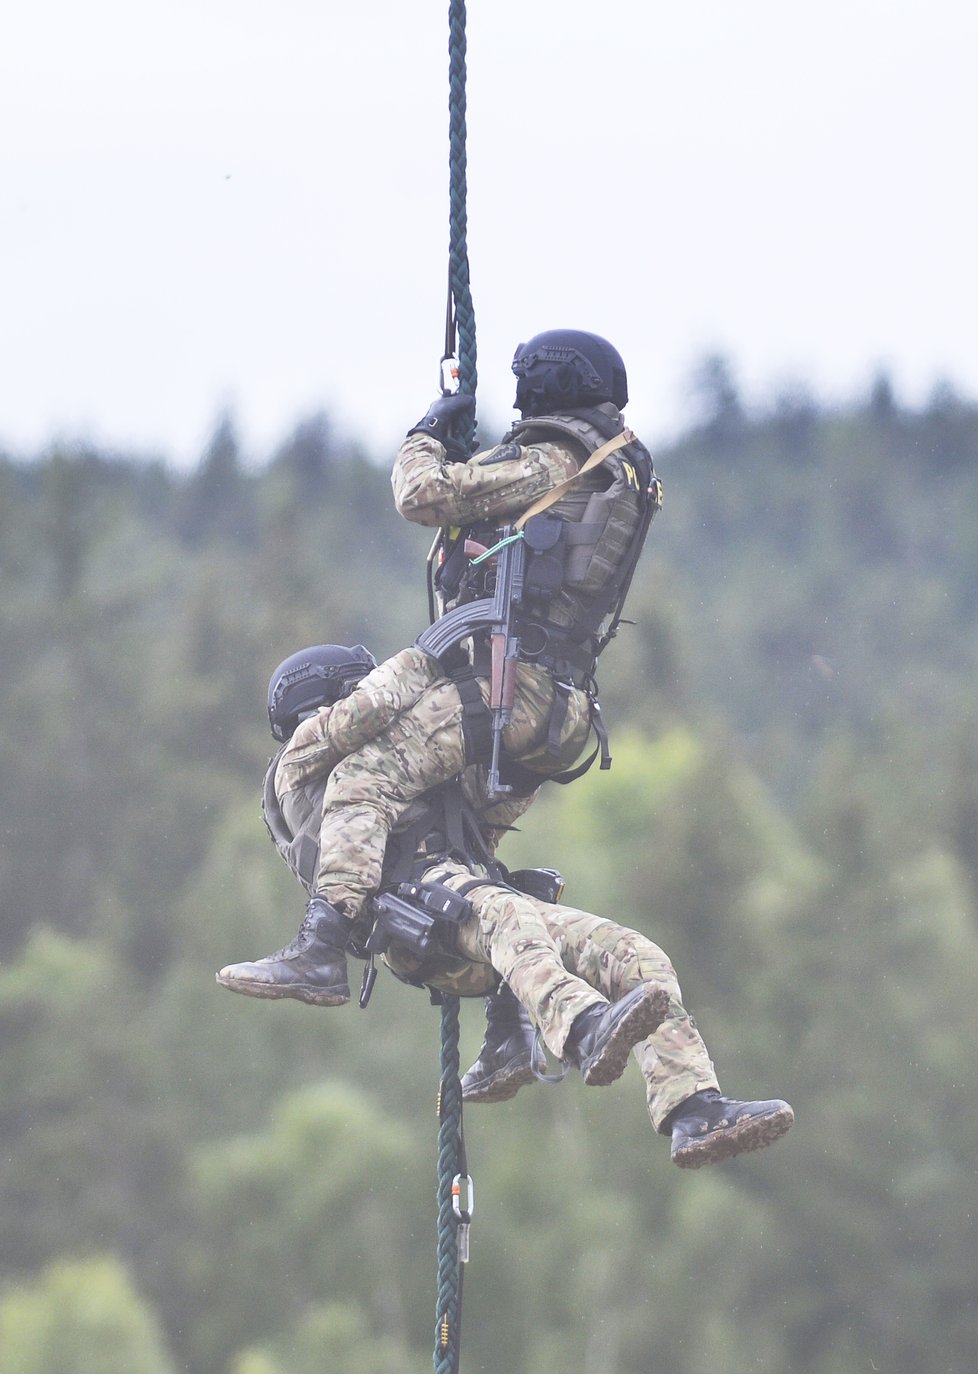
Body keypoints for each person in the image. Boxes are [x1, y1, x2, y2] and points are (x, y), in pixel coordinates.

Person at [217, 645, 795, 1168]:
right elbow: (371, 707)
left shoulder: (403, 773)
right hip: (416, 918)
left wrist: (522, 751)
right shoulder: (300, 762)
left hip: (467, 911)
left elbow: (481, 815)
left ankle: (693, 1109)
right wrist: (433, 656)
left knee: (633, 955)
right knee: (506, 914)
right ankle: (583, 1026)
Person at [218, 330, 662, 1007]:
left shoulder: (553, 462)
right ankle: (516, 1014)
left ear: (549, 386)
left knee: (367, 776)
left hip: (504, 689)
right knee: (460, 858)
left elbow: (421, 493)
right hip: (562, 707)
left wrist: (427, 432)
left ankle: (321, 944)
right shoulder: (619, 474)